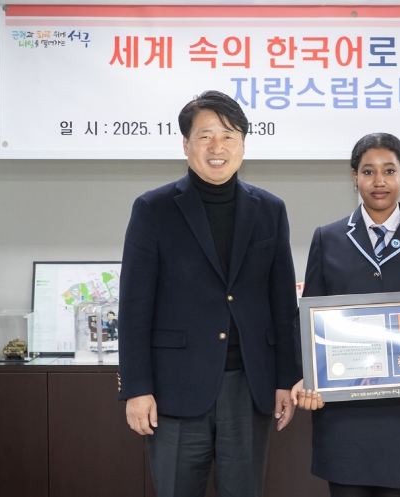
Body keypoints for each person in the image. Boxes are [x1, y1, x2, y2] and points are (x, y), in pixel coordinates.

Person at [117, 90, 298, 497]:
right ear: (186, 144)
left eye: (229, 136)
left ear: (243, 145)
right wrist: (136, 388)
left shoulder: (270, 210)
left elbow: (283, 304)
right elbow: (133, 308)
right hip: (174, 390)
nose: (218, 147)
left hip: (249, 387)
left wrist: (286, 379)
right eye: (205, 136)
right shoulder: (154, 209)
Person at [291, 132, 400, 497]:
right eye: (368, 171)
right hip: (343, 410)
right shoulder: (328, 238)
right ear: (355, 177)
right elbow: (308, 316)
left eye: (389, 170)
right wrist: (308, 376)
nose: (379, 181)